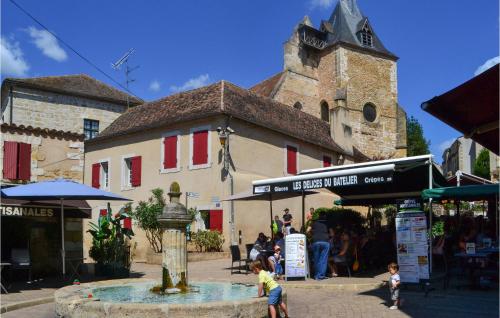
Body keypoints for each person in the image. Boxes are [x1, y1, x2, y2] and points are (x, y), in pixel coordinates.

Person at [307, 211, 330, 280]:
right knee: (323, 260)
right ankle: (320, 275)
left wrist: (312, 235)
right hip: (325, 242)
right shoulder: (327, 223)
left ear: (319, 216)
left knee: (316, 259)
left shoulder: (314, 222)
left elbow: (307, 231)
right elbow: (332, 233)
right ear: (325, 216)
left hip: (316, 241)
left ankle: (316, 275)